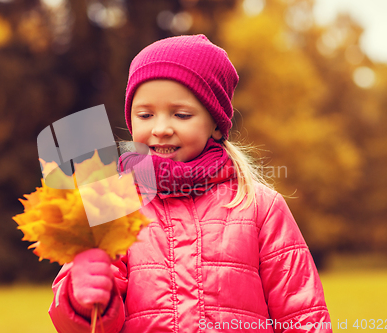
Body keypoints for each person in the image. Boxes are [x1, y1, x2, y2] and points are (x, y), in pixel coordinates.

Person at [49, 34, 332, 333]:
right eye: (145, 115)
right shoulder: (111, 204)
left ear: (215, 123)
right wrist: (81, 299)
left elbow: (302, 313)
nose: (160, 129)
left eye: (181, 114)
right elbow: (85, 325)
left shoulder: (259, 206)